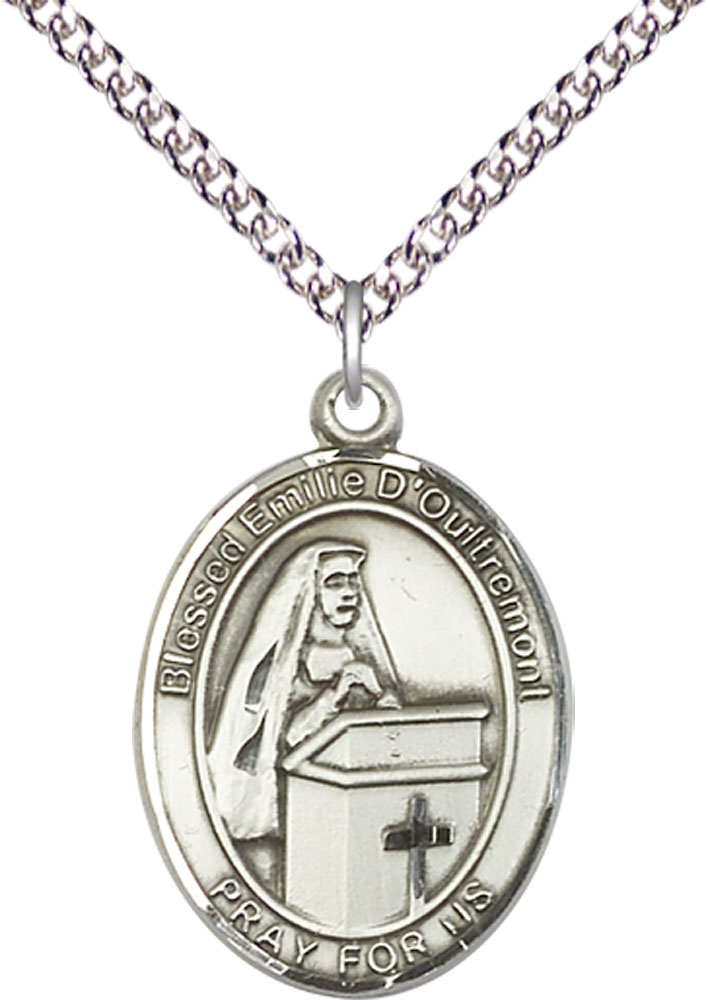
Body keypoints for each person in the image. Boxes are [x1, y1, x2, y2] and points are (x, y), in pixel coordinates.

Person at [207, 540, 402, 847]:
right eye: (334, 583)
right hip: (306, 799)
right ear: (310, 591)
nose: (349, 592)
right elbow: (290, 739)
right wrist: (334, 695)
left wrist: (384, 701)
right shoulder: (282, 666)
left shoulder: (357, 657)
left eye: (353, 581)